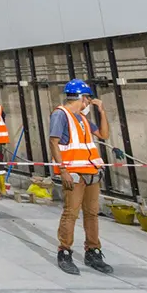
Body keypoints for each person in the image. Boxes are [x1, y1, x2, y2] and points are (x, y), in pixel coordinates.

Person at [49, 78, 113, 275]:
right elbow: (54, 141)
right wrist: (64, 170)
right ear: (81, 97)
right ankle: (65, 252)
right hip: (74, 174)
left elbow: (104, 135)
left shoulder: (83, 119)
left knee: (92, 213)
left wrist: (101, 111)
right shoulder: (61, 115)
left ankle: (93, 251)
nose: (88, 102)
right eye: (87, 98)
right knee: (71, 213)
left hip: (91, 173)